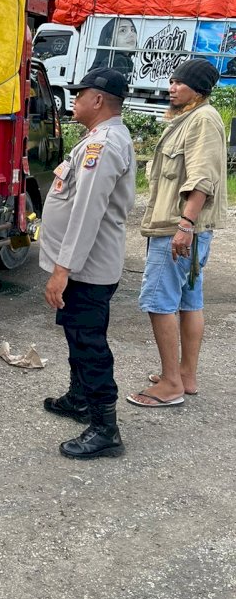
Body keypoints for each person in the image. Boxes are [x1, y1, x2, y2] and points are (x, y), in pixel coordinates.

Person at [40, 67, 137, 459]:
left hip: (87, 268)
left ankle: (105, 429)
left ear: (98, 100)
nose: (74, 101)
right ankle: (79, 399)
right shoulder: (97, 139)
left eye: (80, 95)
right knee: (77, 335)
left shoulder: (105, 145)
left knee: (89, 343)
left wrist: (63, 269)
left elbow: (87, 212)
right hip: (85, 265)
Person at [128, 57, 227, 407]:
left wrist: (185, 225)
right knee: (188, 301)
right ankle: (185, 375)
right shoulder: (189, 118)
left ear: (197, 90)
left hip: (178, 227)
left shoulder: (202, 119)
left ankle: (170, 384)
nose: (172, 88)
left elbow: (201, 177)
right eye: (171, 81)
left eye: (179, 83)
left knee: (159, 301)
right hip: (185, 227)